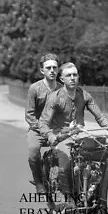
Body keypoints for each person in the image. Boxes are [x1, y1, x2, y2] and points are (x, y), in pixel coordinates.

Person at [38, 62, 108, 208]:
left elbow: (99, 116)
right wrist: (51, 136)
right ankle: (69, 197)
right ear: (62, 79)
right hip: (61, 137)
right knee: (66, 162)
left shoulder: (84, 95)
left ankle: (104, 193)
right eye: (68, 75)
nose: (72, 78)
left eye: (75, 75)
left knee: (106, 150)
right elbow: (43, 123)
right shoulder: (55, 97)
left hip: (80, 134)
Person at [25, 53, 63, 194]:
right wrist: (42, 130)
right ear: (42, 70)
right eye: (48, 68)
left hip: (57, 130)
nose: (52, 70)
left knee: (72, 153)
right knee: (33, 153)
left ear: (58, 70)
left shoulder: (62, 89)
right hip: (37, 130)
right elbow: (29, 114)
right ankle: (39, 181)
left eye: (55, 67)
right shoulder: (34, 89)